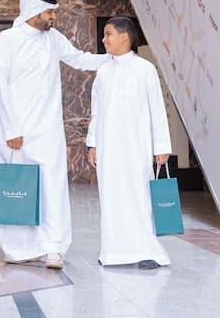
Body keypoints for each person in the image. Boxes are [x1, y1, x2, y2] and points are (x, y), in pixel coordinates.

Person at [0, 0, 109, 270]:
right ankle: (19, 248)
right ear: (33, 11)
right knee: (16, 187)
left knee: (52, 187)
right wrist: (11, 129)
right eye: (49, 12)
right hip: (15, 131)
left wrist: (115, 57)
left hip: (48, 130)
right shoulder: (7, 40)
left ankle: (53, 246)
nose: (53, 17)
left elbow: (80, 59)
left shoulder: (53, 39)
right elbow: (1, 85)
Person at [86, 16, 172, 268]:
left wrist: (161, 147)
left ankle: (147, 251)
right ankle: (113, 253)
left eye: (108, 34)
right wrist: (93, 144)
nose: (104, 40)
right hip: (108, 148)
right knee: (111, 198)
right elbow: (96, 112)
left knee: (139, 196)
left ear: (124, 37)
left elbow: (157, 110)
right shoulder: (103, 72)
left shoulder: (145, 69)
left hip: (137, 147)